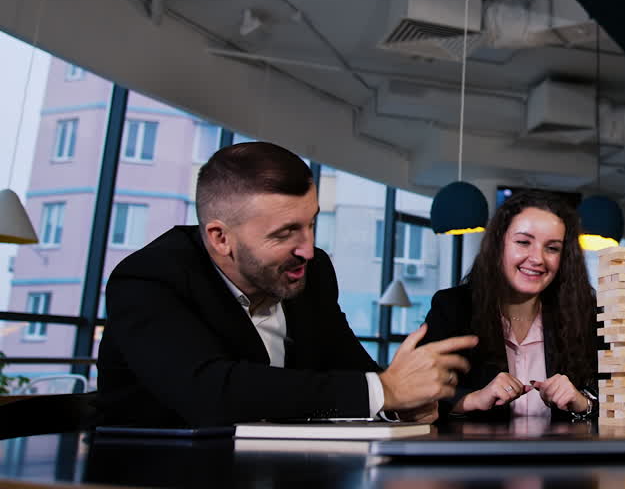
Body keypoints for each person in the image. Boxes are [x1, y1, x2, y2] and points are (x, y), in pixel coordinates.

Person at [96, 142, 476, 427]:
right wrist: (382, 391)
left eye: (311, 223)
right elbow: (209, 392)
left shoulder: (313, 272)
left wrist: (401, 401)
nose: (308, 249)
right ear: (220, 238)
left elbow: (349, 368)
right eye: (286, 233)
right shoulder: (149, 279)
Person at [420, 190, 599, 420]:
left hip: (563, 455)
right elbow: (415, 394)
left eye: (552, 248)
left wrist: (584, 403)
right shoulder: (453, 308)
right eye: (523, 242)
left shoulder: (584, 315)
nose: (537, 258)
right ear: (498, 245)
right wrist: (471, 400)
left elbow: (619, 399)